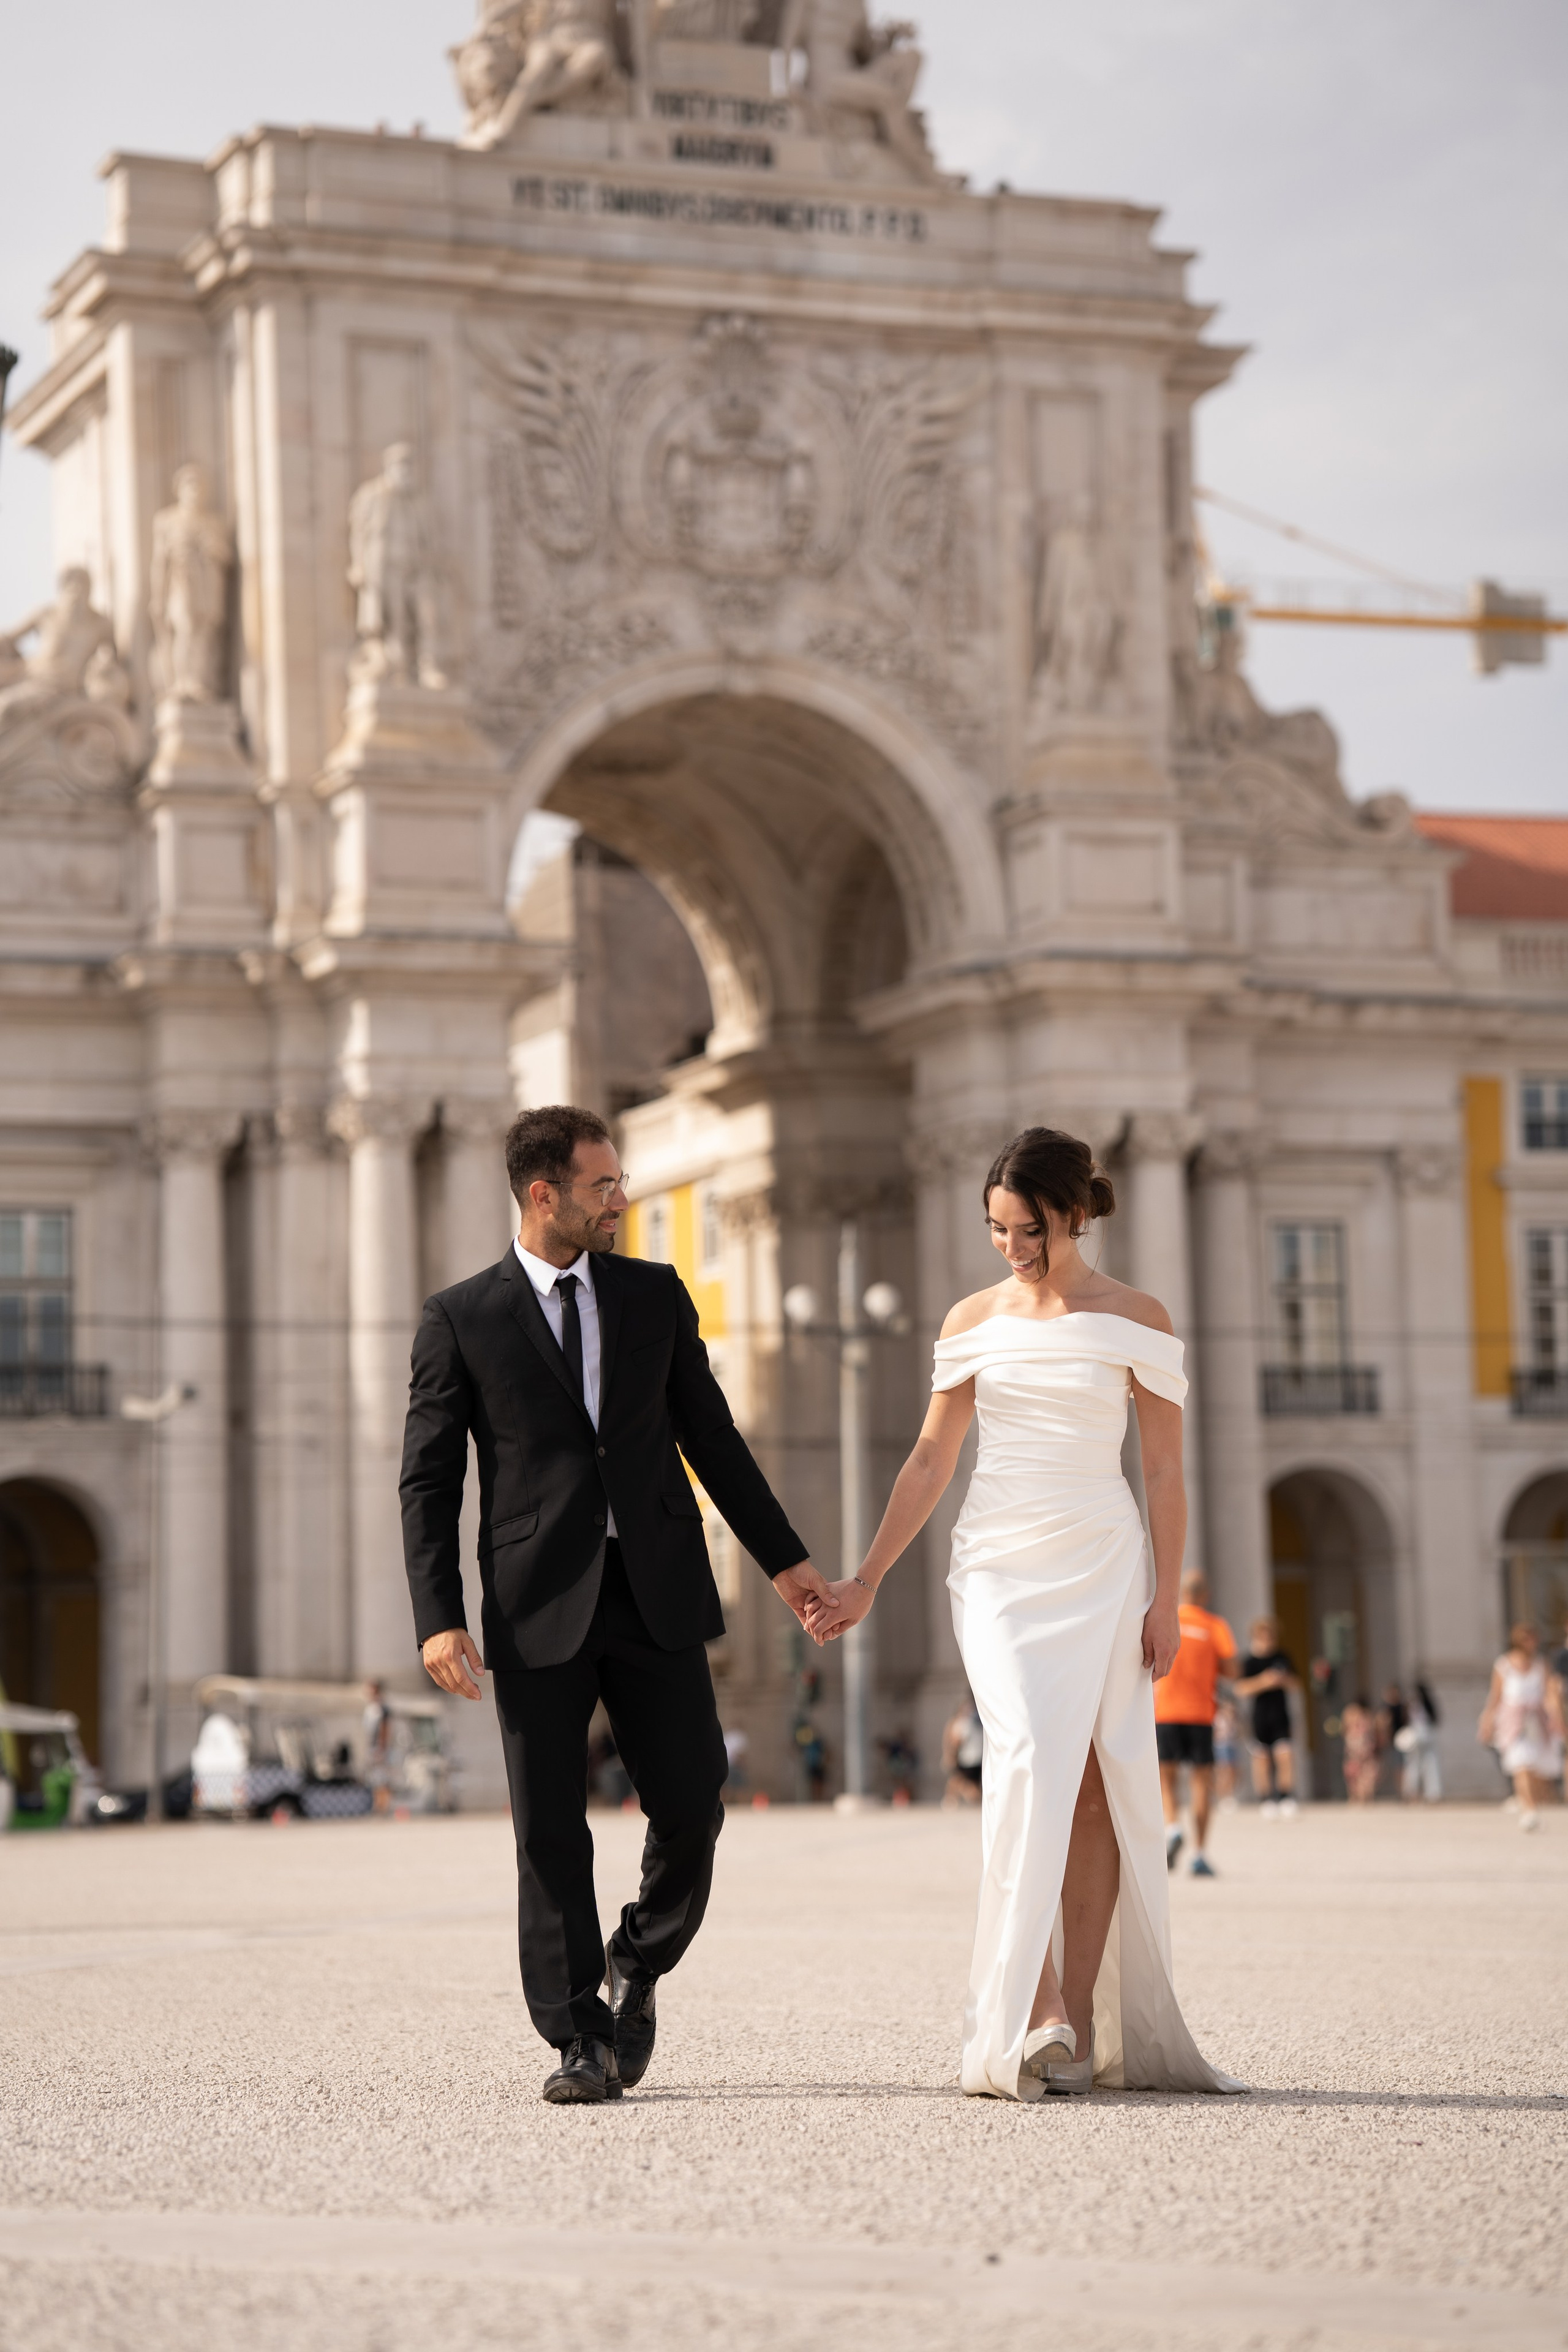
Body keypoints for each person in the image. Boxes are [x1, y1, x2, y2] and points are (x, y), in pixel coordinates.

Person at [401, 1104, 828, 2104]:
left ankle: (637, 1955)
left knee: (692, 1803)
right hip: (532, 1598)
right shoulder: (460, 1317)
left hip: (656, 1591)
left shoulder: (653, 1294)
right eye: (604, 1186)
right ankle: (577, 2038)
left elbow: (712, 1439)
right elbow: (428, 1479)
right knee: (550, 1831)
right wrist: (437, 1612)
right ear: (542, 1195)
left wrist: (785, 1562)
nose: (621, 1200)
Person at [807, 1126, 1241, 2101]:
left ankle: (1078, 2022)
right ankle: (1030, 2004)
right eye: (999, 1229)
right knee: (1028, 1759)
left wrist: (1166, 1598)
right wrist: (868, 1577)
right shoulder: (972, 1320)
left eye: (1029, 1228)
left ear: (1075, 1214)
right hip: (998, 1567)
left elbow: (1165, 1471)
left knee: (1095, 1787)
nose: (1013, 1247)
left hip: (1103, 1560)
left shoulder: (1138, 1317)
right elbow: (931, 1459)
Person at [1154, 1570, 1238, 1875]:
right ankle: (1200, 1854)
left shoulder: (1167, 1619)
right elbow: (1232, 1669)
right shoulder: (1215, 1625)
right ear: (1205, 1595)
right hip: (1201, 1713)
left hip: (1167, 1711)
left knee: (1167, 1777)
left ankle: (1173, 1827)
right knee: (1201, 1782)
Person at [1479, 1625, 1564, 1832]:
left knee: (1536, 1770)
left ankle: (1526, 1799)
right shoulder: (1504, 1665)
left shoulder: (1541, 1665)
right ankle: (1529, 1810)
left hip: (1536, 1722)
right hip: (1513, 1722)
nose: (1533, 1643)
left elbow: (1550, 1696)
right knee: (1520, 1764)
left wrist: (1559, 1720)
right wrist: (1487, 1721)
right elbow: (1495, 1697)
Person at [1233, 1616, 1300, 1817]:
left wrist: (1283, 1680)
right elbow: (1240, 1689)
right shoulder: (1249, 1661)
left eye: (1271, 1636)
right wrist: (1264, 1682)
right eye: (1264, 1635)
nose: (1268, 1639)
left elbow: (1297, 1684)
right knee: (1261, 1759)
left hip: (1280, 1716)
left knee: (1285, 1756)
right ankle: (1265, 1799)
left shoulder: (1283, 1657)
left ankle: (1286, 1796)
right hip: (1259, 1717)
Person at [1395, 1679, 1442, 1804]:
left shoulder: (1414, 1704)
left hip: (1419, 1735)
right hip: (1423, 1735)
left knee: (1418, 1765)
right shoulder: (1421, 1703)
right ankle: (1425, 1793)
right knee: (1423, 1765)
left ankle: (1421, 1792)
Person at [941, 1695, 984, 1807]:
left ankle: (951, 1799)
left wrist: (950, 1755)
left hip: (967, 1759)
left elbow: (957, 1741)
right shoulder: (977, 1722)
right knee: (964, 1782)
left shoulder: (963, 1723)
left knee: (958, 1780)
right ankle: (953, 1799)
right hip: (977, 1758)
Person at [1340, 1698, 1381, 1804]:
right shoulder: (1355, 1725)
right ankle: (1359, 1797)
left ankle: (1362, 1797)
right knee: (1356, 1776)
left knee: (1364, 1776)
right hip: (1357, 1753)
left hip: (1362, 1753)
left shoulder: (1363, 1722)